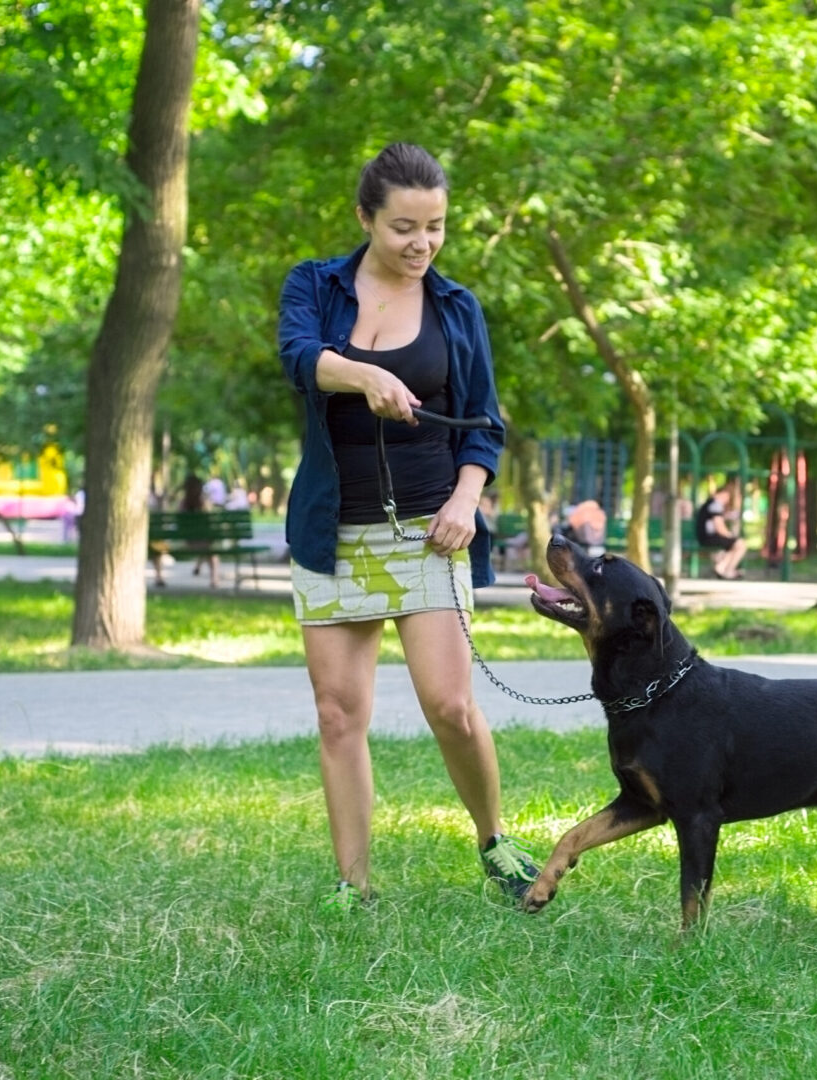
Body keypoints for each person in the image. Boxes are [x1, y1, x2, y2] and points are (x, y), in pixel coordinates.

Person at [278, 141, 536, 911]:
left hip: (431, 525)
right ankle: (351, 884)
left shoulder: (456, 309)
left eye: (436, 226)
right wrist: (363, 375)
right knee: (337, 714)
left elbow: (485, 423)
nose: (422, 243)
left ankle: (494, 839)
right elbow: (298, 356)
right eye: (403, 228)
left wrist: (467, 501)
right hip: (333, 530)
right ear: (365, 219)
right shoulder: (315, 286)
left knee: (450, 705)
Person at [694, 477, 748, 580]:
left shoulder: (712, 503)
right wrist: (730, 536)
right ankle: (726, 569)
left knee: (735, 544)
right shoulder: (716, 504)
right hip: (707, 538)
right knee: (740, 544)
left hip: (706, 536)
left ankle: (722, 567)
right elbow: (719, 527)